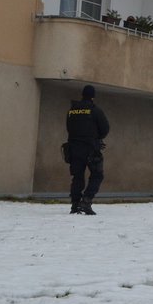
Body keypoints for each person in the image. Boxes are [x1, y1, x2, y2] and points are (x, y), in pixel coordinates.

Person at [65, 84, 110, 215]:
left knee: (77, 177)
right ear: (93, 97)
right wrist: (97, 137)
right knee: (97, 175)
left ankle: (75, 205)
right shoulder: (95, 110)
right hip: (91, 149)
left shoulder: (71, 110)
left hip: (74, 148)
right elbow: (105, 129)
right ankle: (86, 201)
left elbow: (69, 128)